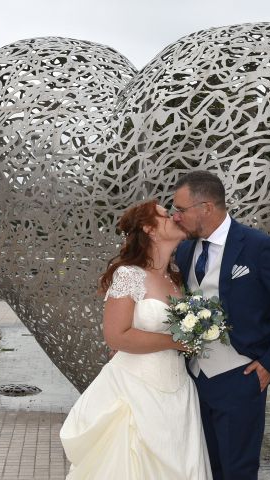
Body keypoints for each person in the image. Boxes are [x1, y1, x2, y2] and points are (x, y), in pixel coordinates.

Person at [172, 171, 270, 480]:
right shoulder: (184, 250)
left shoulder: (257, 246)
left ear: (206, 207)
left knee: (239, 471)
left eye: (181, 209)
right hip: (193, 379)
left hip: (241, 376)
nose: (176, 217)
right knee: (204, 469)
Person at [60, 200, 212, 479]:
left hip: (179, 394)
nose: (175, 217)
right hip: (135, 392)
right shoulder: (129, 275)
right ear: (150, 229)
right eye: (166, 215)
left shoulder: (176, 280)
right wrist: (175, 342)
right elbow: (116, 336)